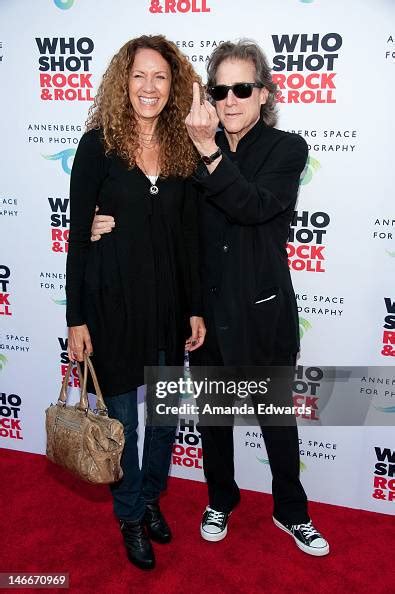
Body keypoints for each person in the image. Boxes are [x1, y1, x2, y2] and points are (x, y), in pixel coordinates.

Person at [91, 39, 329, 557]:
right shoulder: (190, 146)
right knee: (215, 422)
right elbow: (167, 219)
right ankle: (220, 498)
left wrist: (210, 154)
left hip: (263, 316)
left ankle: (292, 512)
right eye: (219, 89)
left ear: (263, 94)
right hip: (207, 317)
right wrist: (100, 219)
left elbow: (254, 206)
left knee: (277, 424)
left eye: (242, 88)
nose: (230, 100)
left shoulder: (287, 148)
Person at [66, 34, 206, 571]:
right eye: (139, 76)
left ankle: (149, 499)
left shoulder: (181, 150)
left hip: (169, 309)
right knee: (121, 422)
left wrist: (194, 307)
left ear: (174, 87)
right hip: (112, 306)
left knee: (165, 420)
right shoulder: (97, 145)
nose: (149, 87)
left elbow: (189, 237)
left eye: (161, 77)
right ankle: (128, 515)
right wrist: (75, 316)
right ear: (123, 82)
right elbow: (80, 236)